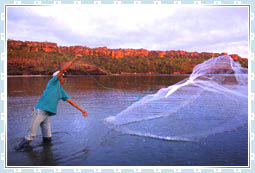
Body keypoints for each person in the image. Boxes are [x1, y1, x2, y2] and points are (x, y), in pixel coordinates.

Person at [15, 54, 87, 150]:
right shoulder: (53, 82)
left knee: (48, 138)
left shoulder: (61, 91)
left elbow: (71, 102)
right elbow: (62, 70)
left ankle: (46, 157)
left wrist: (82, 110)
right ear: (59, 77)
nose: (64, 78)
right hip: (39, 112)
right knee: (30, 137)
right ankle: (17, 151)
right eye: (63, 76)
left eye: (65, 77)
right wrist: (74, 59)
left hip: (47, 114)